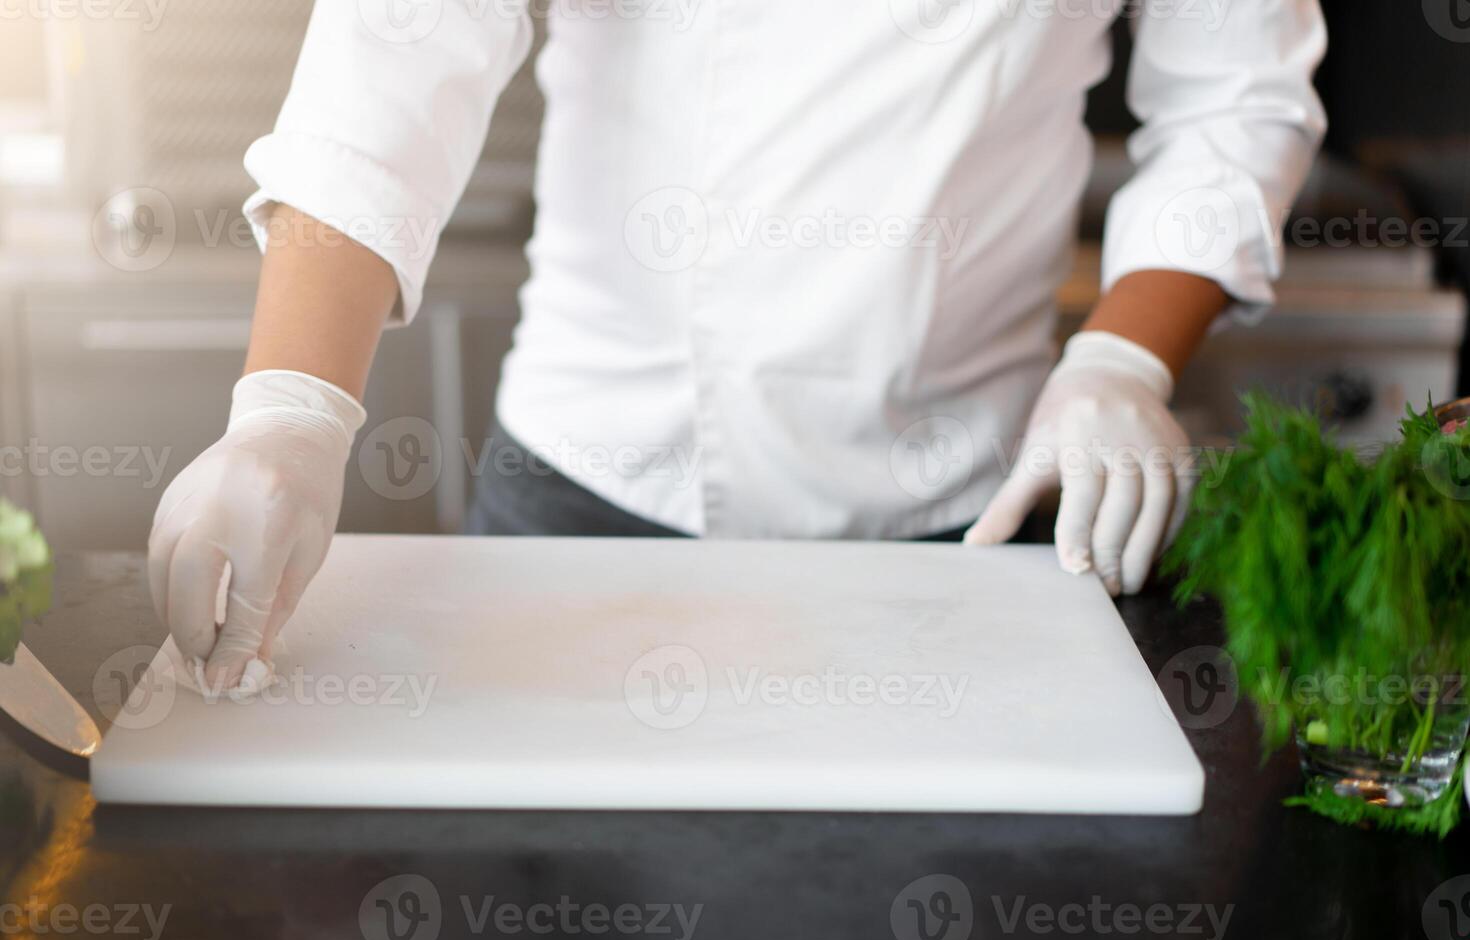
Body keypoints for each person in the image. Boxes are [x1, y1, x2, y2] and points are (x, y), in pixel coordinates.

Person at [148, 0, 1327, 690]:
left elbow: (1236, 95)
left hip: (977, 512)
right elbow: (391, 60)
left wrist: (1122, 357)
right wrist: (293, 404)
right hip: (589, 491)